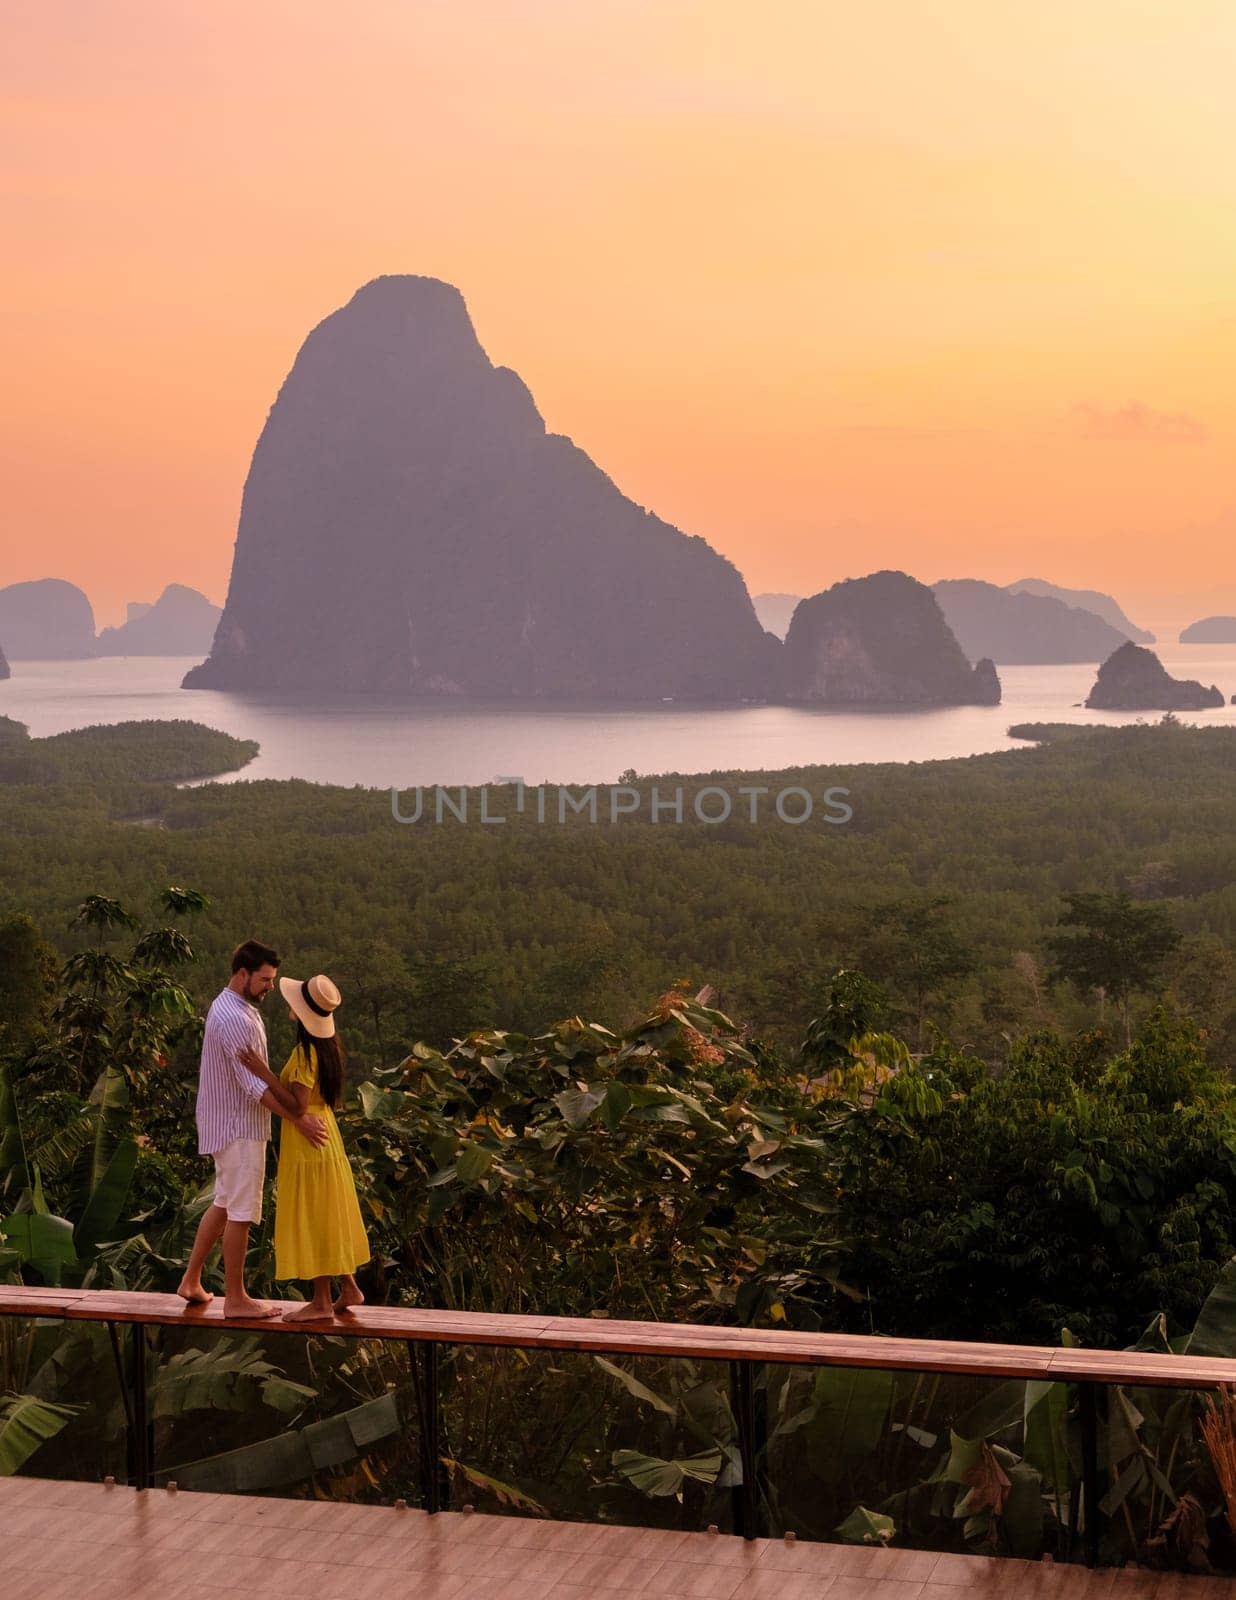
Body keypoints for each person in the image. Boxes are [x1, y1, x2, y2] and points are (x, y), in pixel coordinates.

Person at [177, 940, 329, 1319]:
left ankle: (191, 1280)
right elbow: (253, 1087)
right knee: (241, 1211)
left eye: (273, 980)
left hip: (232, 1124)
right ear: (242, 974)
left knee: (226, 1204)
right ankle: (236, 1298)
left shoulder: (237, 1007)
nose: (270, 987)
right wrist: (298, 1118)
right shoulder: (234, 1017)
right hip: (239, 1127)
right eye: (265, 979)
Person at [238, 972, 370, 1322]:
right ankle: (349, 1286)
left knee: (313, 1214)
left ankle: (321, 1302)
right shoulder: (328, 1049)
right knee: (328, 1211)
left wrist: (263, 1073)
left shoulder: (305, 1052)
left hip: (308, 1140)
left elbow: (297, 1107)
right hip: (328, 1137)